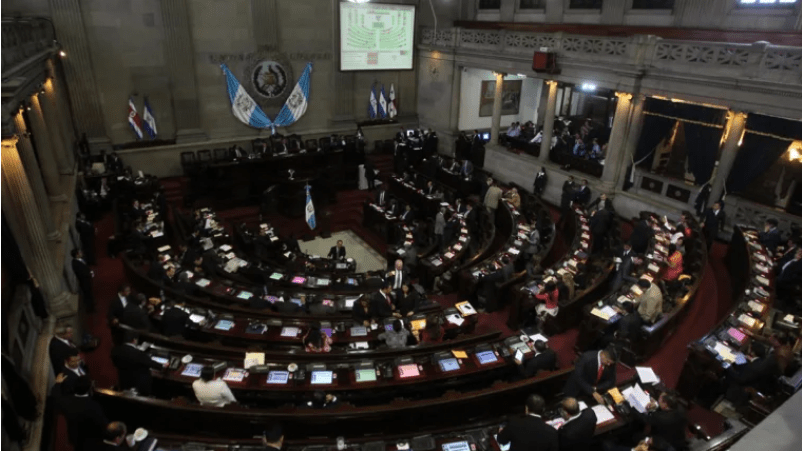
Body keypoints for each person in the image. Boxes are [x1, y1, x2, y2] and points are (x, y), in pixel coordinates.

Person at [52, 374, 108, 451]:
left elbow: (55, 396)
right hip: (87, 444)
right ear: (89, 389)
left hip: (70, 439)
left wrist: (58, 383)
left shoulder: (65, 401)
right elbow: (103, 426)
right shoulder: (94, 406)